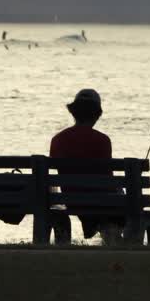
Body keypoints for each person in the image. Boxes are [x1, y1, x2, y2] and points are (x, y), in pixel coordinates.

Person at [50, 89, 121, 243]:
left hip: (70, 199)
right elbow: (107, 177)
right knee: (117, 194)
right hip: (101, 200)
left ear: (73, 112)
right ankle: (112, 238)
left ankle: (92, 226)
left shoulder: (58, 140)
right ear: (97, 114)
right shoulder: (103, 141)